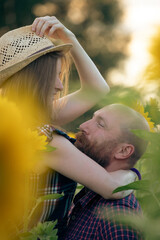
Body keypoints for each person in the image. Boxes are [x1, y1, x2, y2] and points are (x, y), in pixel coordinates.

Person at [0, 16, 136, 236]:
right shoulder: (41, 139)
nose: (60, 85)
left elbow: (96, 90)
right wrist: (132, 174)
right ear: (32, 81)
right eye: (53, 76)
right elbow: (113, 189)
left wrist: (69, 38)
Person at [47, 103, 149, 239]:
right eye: (91, 118)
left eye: (100, 124)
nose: (83, 126)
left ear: (123, 151)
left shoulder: (118, 217)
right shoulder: (87, 197)